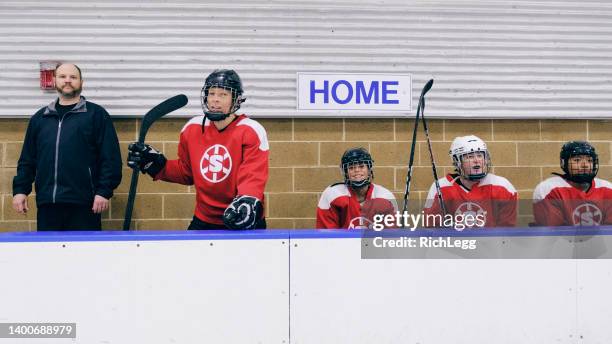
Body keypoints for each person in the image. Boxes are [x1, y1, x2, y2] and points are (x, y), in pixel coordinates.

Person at [127, 69, 269, 230]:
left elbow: (252, 175)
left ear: (236, 99)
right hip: (204, 218)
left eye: (223, 95)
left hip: (242, 216)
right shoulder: (192, 128)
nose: (215, 100)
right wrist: (158, 165)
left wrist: (247, 200)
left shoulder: (250, 130)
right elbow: (186, 173)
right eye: (211, 93)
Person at [12, 63, 122, 230]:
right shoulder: (40, 118)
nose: (68, 81)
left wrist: (103, 192)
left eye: (73, 77)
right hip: (48, 204)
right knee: (49, 255)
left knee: (84, 255)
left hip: (85, 204)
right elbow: (28, 159)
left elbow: (110, 158)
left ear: (81, 82)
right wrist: (20, 190)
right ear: (55, 80)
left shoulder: (96, 115)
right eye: (63, 77)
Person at [423, 135, 517, 228]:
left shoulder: (503, 187)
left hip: (491, 243)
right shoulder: (440, 187)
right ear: (457, 161)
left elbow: (506, 233)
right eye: (470, 157)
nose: (476, 160)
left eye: (480, 155)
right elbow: (432, 229)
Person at [533, 141, 612, 226]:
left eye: (589, 160)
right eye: (577, 160)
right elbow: (553, 235)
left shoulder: (607, 188)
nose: (585, 165)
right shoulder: (548, 189)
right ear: (564, 163)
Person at [316, 147, 398, 229]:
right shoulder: (333, 195)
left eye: (361, 166)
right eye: (351, 167)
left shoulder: (385, 197)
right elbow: (326, 237)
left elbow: (390, 236)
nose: (357, 170)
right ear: (346, 172)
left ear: (369, 170)